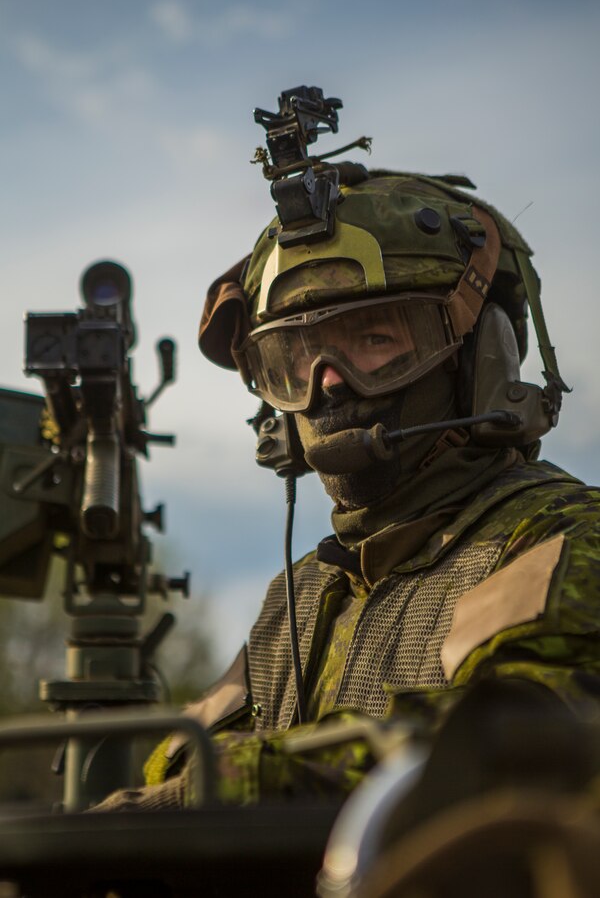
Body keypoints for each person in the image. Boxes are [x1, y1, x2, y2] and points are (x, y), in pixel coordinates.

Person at [100, 134, 600, 815]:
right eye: (296, 358)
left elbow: (521, 738)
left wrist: (246, 784)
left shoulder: (557, 538)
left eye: (375, 340)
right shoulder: (297, 599)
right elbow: (185, 762)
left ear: (480, 359)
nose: (330, 386)